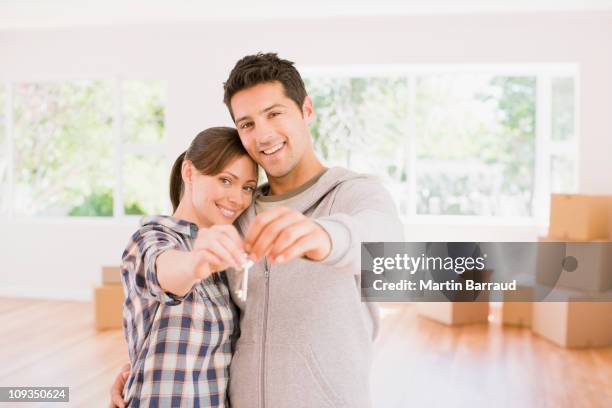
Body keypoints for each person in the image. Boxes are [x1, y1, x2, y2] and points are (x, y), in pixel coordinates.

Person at [112, 53, 403, 408]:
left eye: (275, 113)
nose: (263, 134)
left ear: (306, 110)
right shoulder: (238, 216)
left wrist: (325, 237)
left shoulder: (353, 194)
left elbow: (387, 248)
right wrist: (141, 365)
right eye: (247, 124)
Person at [119, 127, 258, 407]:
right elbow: (164, 272)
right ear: (189, 172)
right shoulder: (151, 238)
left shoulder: (225, 253)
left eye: (247, 187)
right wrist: (195, 261)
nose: (238, 198)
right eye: (225, 180)